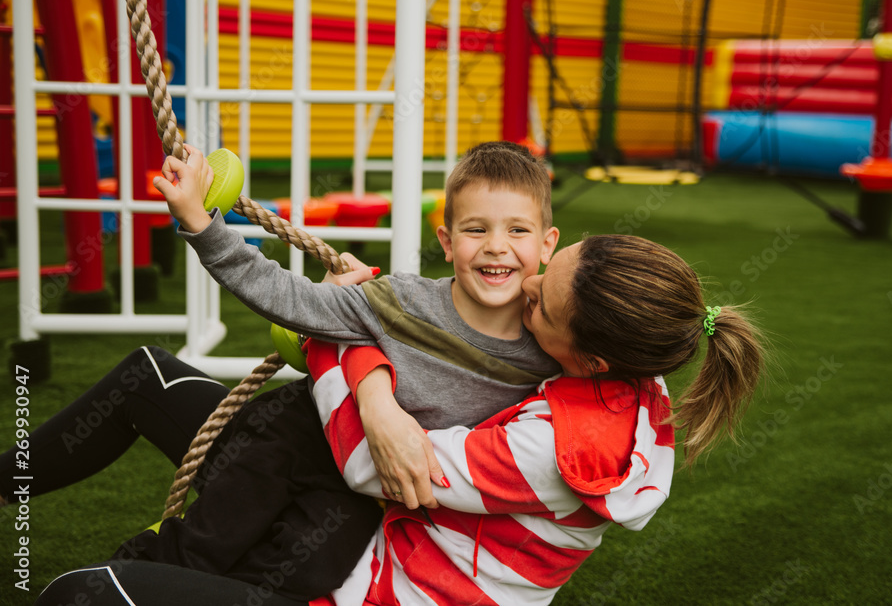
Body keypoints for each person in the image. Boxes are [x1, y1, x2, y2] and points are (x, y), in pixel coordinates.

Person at [26, 233, 763, 605]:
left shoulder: (556, 448)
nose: (526, 289)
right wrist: (388, 315)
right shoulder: (635, 365)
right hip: (347, 508)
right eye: (550, 266)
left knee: (84, 592)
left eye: (542, 299)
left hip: (352, 579)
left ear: (594, 361)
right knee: (149, 376)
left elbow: (367, 461)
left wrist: (345, 342)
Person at [160, 141, 563, 507]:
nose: (496, 245)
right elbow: (288, 297)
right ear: (447, 241)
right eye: (476, 229)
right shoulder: (403, 302)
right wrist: (200, 223)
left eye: (517, 230)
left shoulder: (555, 345)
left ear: (547, 244)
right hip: (309, 457)